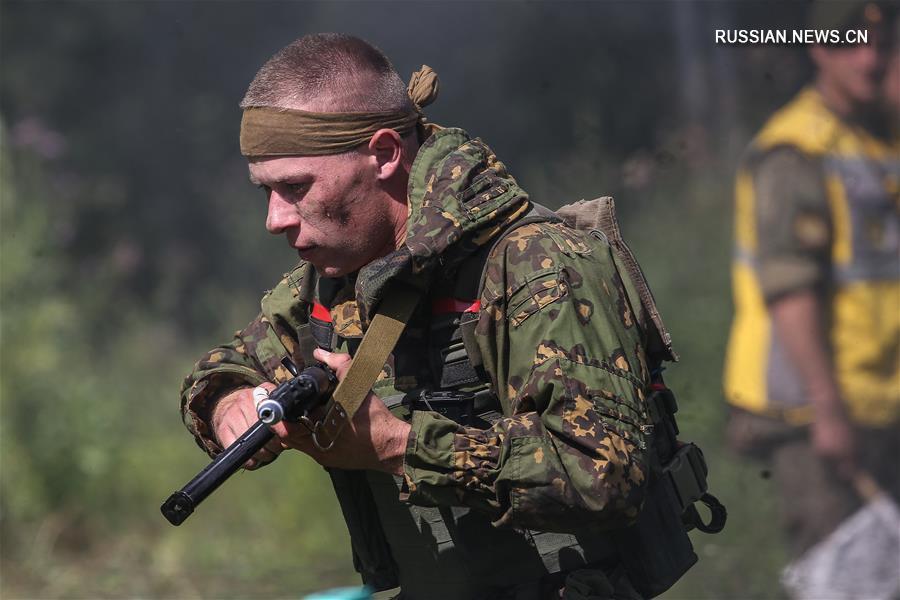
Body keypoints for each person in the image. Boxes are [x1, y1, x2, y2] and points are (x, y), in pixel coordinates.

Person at [180, 33, 675, 599]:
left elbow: (604, 476)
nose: (274, 219)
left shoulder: (538, 266)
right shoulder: (341, 278)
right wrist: (227, 405)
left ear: (386, 155)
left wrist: (399, 444)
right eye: (265, 191)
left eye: (296, 187)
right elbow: (225, 364)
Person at [723, 2, 899, 595]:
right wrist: (829, 411)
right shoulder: (796, 150)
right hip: (818, 412)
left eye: (880, 41)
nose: (871, 59)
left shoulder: (873, 139)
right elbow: (789, 289)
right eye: (852, 42)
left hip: (875, 399)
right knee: (846, 582)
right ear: (818, 48)